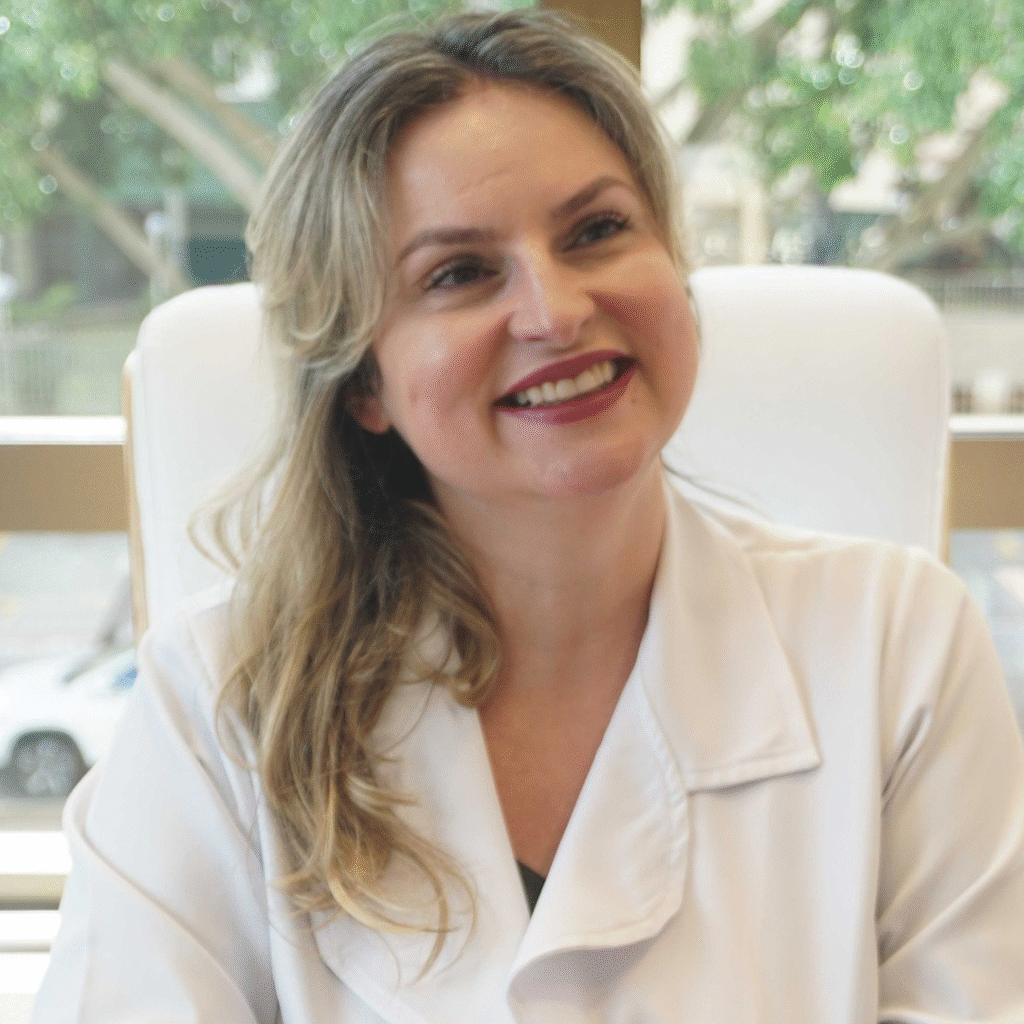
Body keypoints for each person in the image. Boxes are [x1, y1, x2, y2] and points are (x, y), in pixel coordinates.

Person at [31, 10, 1024, 1024]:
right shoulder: (222, 704)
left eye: (597, 230)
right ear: (364, 380)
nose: (556, 311)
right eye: (458, 274)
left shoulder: (898, 643)